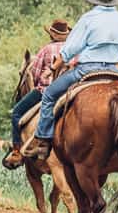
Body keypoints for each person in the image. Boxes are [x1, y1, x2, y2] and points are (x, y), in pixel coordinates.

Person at [22, 0, 118, 161]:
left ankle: (43, 141)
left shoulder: (88, 19)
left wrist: (53, 68)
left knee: (49, 95)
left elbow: (70, 49)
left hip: (88, 70)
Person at [4, 19, 71, 169]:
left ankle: (16, 151)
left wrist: (38, 82)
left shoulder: (46, 49)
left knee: (16, 113)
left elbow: (34, 72)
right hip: (68, 91)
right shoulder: (72, 50)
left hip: (45, 91)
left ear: (52, 33)